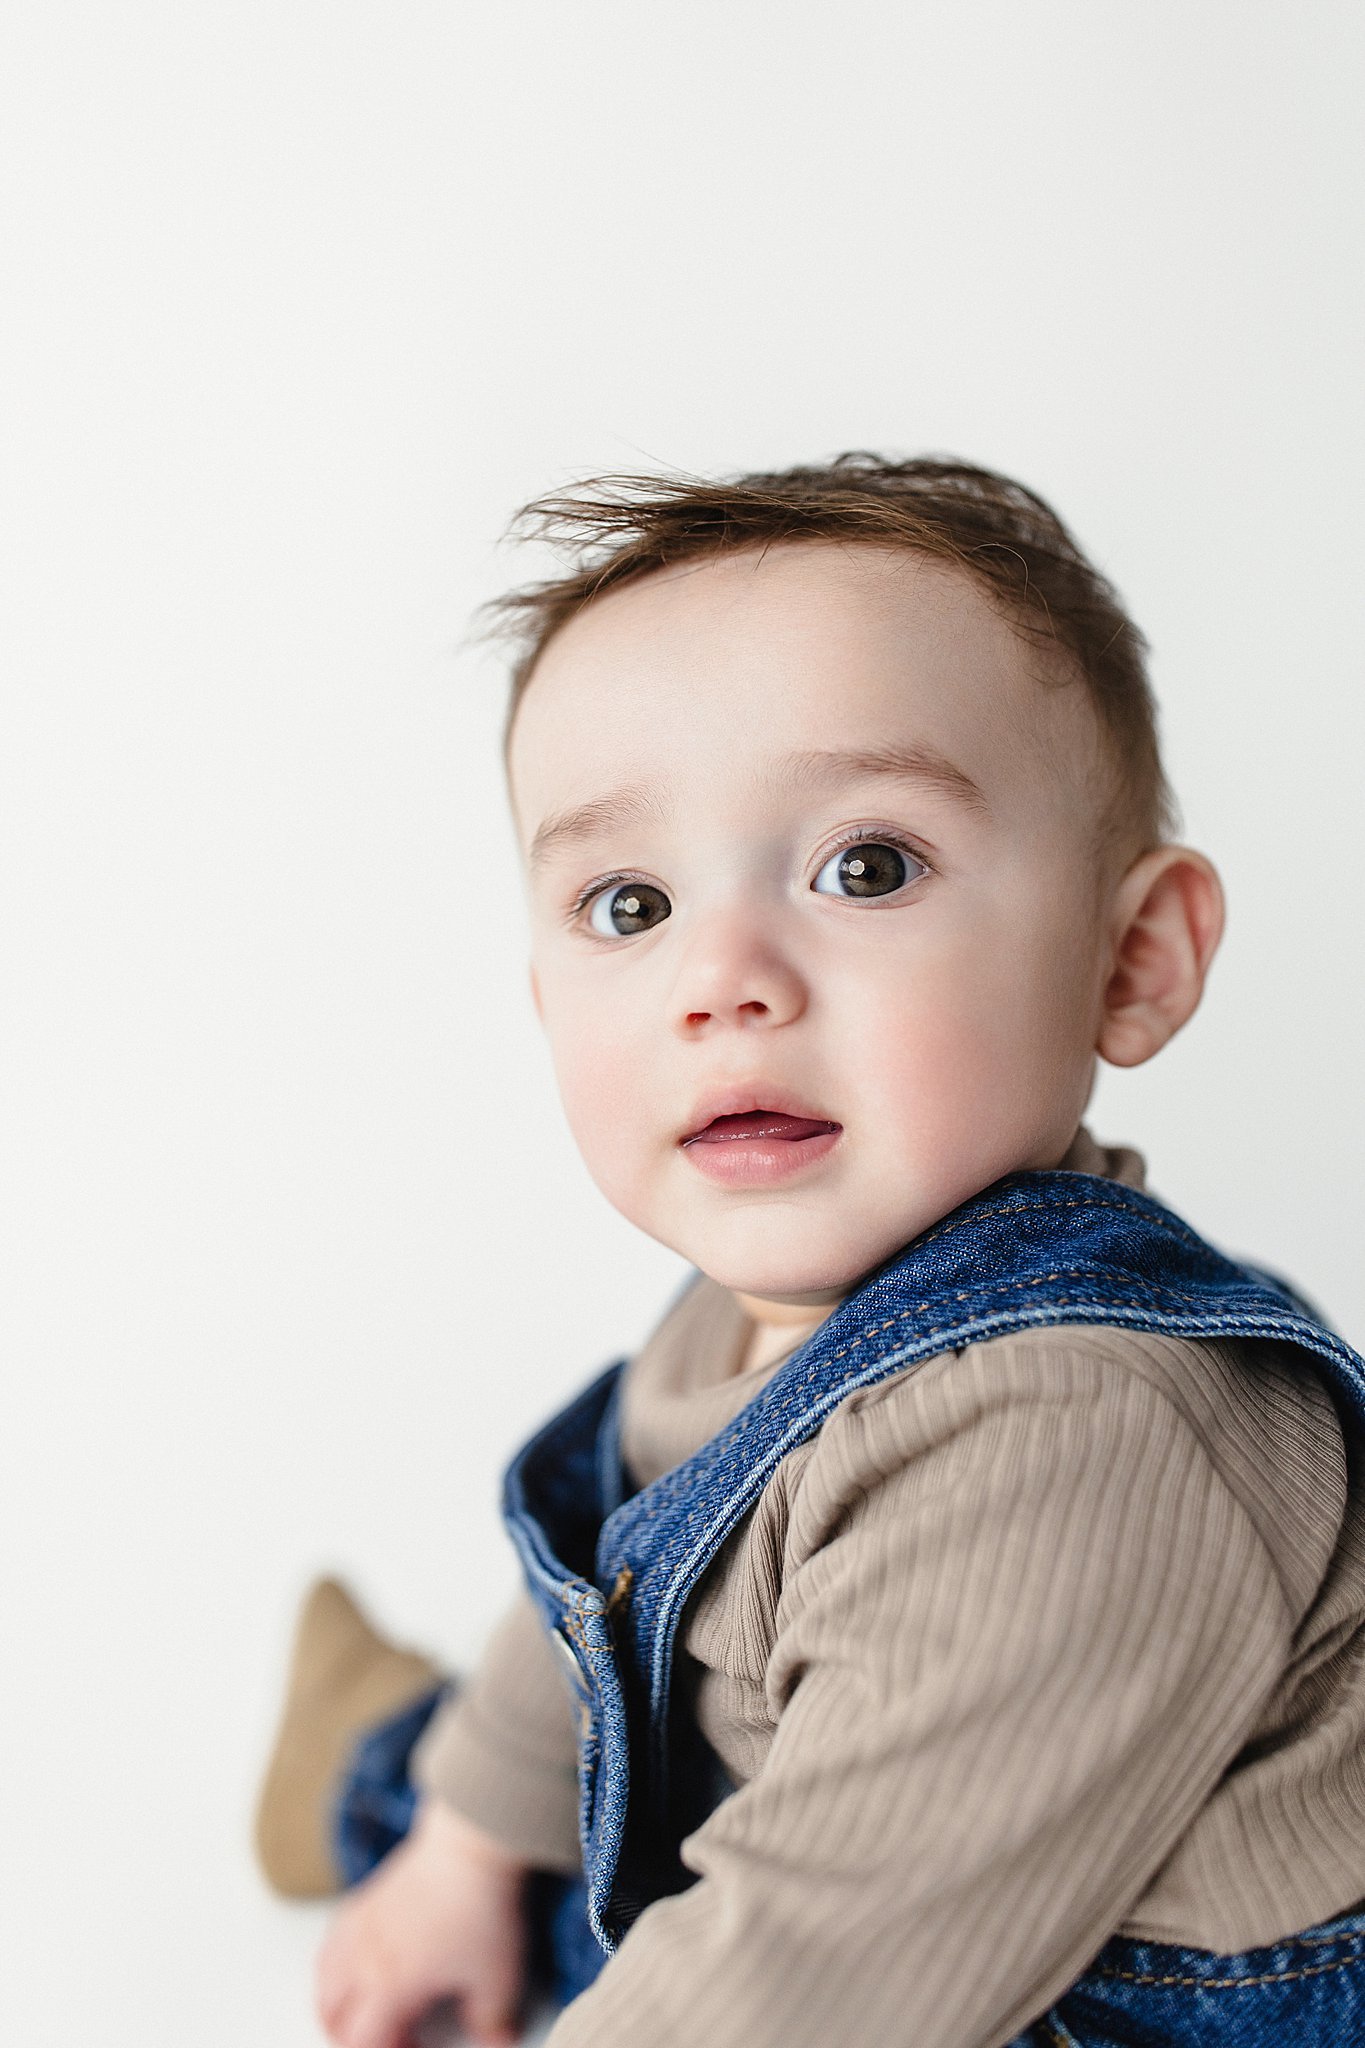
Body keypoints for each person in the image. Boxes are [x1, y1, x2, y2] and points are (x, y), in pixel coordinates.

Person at [257, 455, 1365, 2047]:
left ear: (1127, 961)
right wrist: (451, 1854)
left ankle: (377, 1755)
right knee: (540, 1805)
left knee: (633, 1918)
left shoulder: (1076, 1435)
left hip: (993, 1983)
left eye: (866, 867)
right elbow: (598, 1597)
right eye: (627, 904)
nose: (720, 977)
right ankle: (396, 1774)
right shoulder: (738, 1323)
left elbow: (817, 1966)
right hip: (814, 1867)